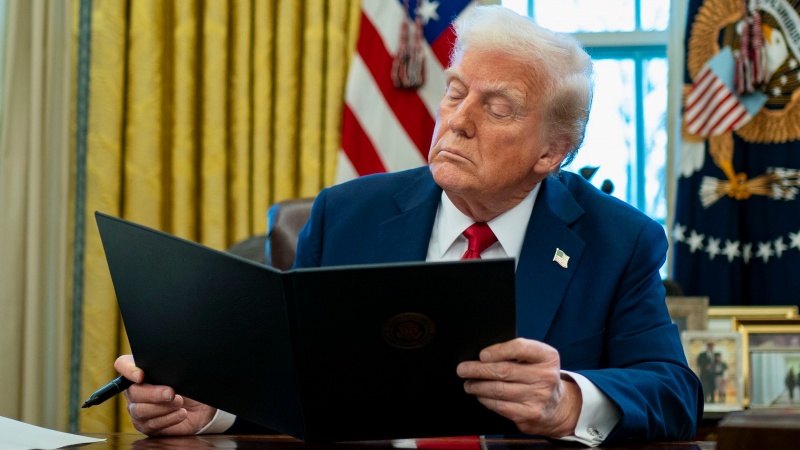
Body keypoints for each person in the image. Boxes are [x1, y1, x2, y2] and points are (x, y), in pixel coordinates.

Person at [114, 5, 701, 446]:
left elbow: (675, 392)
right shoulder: (345, 217)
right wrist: (210, 407)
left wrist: (566, 402)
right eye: (455, 92)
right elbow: (295, 382)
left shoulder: (617, 240)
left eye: (497, 109)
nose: (458, 121)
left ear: (551, 152)